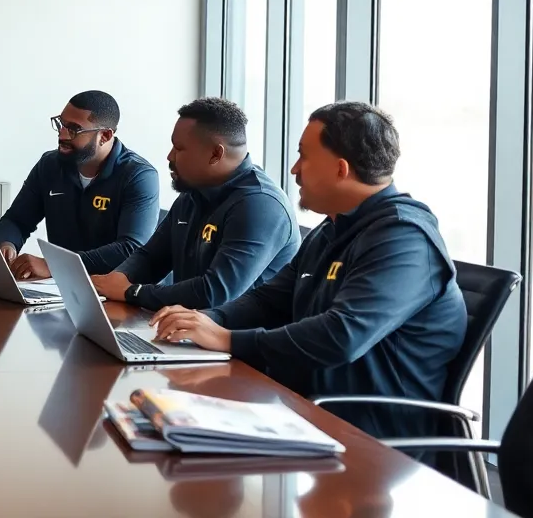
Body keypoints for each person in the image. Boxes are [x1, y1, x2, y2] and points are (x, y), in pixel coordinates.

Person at [149, 102, 466, 439]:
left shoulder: (404, 239)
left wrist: (226, 338)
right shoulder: (331, 230)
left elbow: (340, 336)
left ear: (340, 169)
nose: (294, 169)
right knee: (158, 423)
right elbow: (268, 302)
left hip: (364, 438)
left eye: (304, 156)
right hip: (299, 409)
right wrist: (207, 320)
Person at [89, 97, 299, 311]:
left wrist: (132, 292)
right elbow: (152, 258)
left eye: (179, 148)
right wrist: (115, 280)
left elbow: (215, 292)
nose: (170, 156)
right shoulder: (193, 193)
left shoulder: (261, 206)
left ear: (216, 154)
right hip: (185, 330)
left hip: (234, 340)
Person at [0, 90, 160, 280]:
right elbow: (16, 220)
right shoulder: (50, 165)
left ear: (104, 135)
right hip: (64, 288)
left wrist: (57, 266)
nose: (62, 135)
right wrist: (7, 245)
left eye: (74, 129)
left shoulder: (139, 175)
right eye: (61, 124)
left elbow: (130, 248)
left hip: (119, 294)